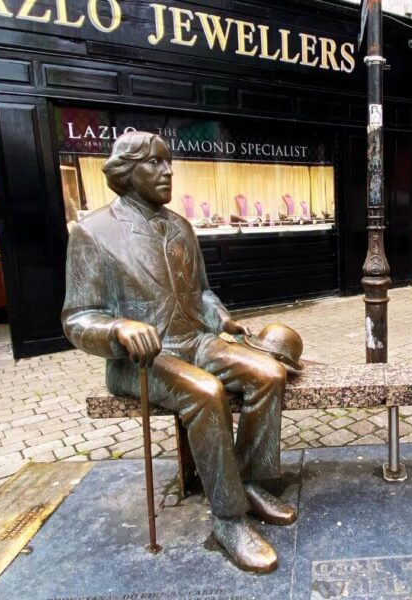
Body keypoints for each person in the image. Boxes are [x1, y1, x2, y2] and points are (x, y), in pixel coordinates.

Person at [62, 131, 295, 574]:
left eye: (169, 162)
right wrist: (118, 327)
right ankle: (228, 519)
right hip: (140, 362)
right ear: (127, 173)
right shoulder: (92, 233)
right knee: (205, 392)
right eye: (155, 163)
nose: (168, 171)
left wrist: (223, 318)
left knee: (268, 374)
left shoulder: (180, 226)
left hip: (195, 340)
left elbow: (201, 293)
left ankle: (247, 480)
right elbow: (76, 318)